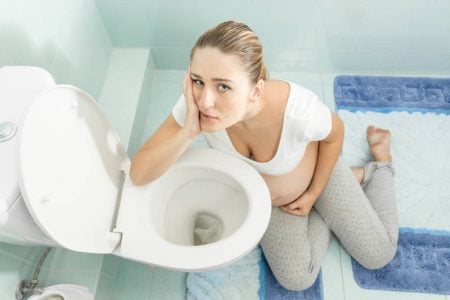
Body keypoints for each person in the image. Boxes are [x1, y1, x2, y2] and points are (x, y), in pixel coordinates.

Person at [130, 21, 398, 291]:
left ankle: (379, 166)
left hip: (320, 176)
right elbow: (139, 172)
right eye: (198, 81)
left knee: (378, 255)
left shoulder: (298, 110)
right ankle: (348, 188)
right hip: (269, 201)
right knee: (296, 280)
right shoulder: (195, 107)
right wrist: (188, 132)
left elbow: (334, 133)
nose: (205, 101)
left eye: (223, 86)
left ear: (255, 90)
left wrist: (314, 193)